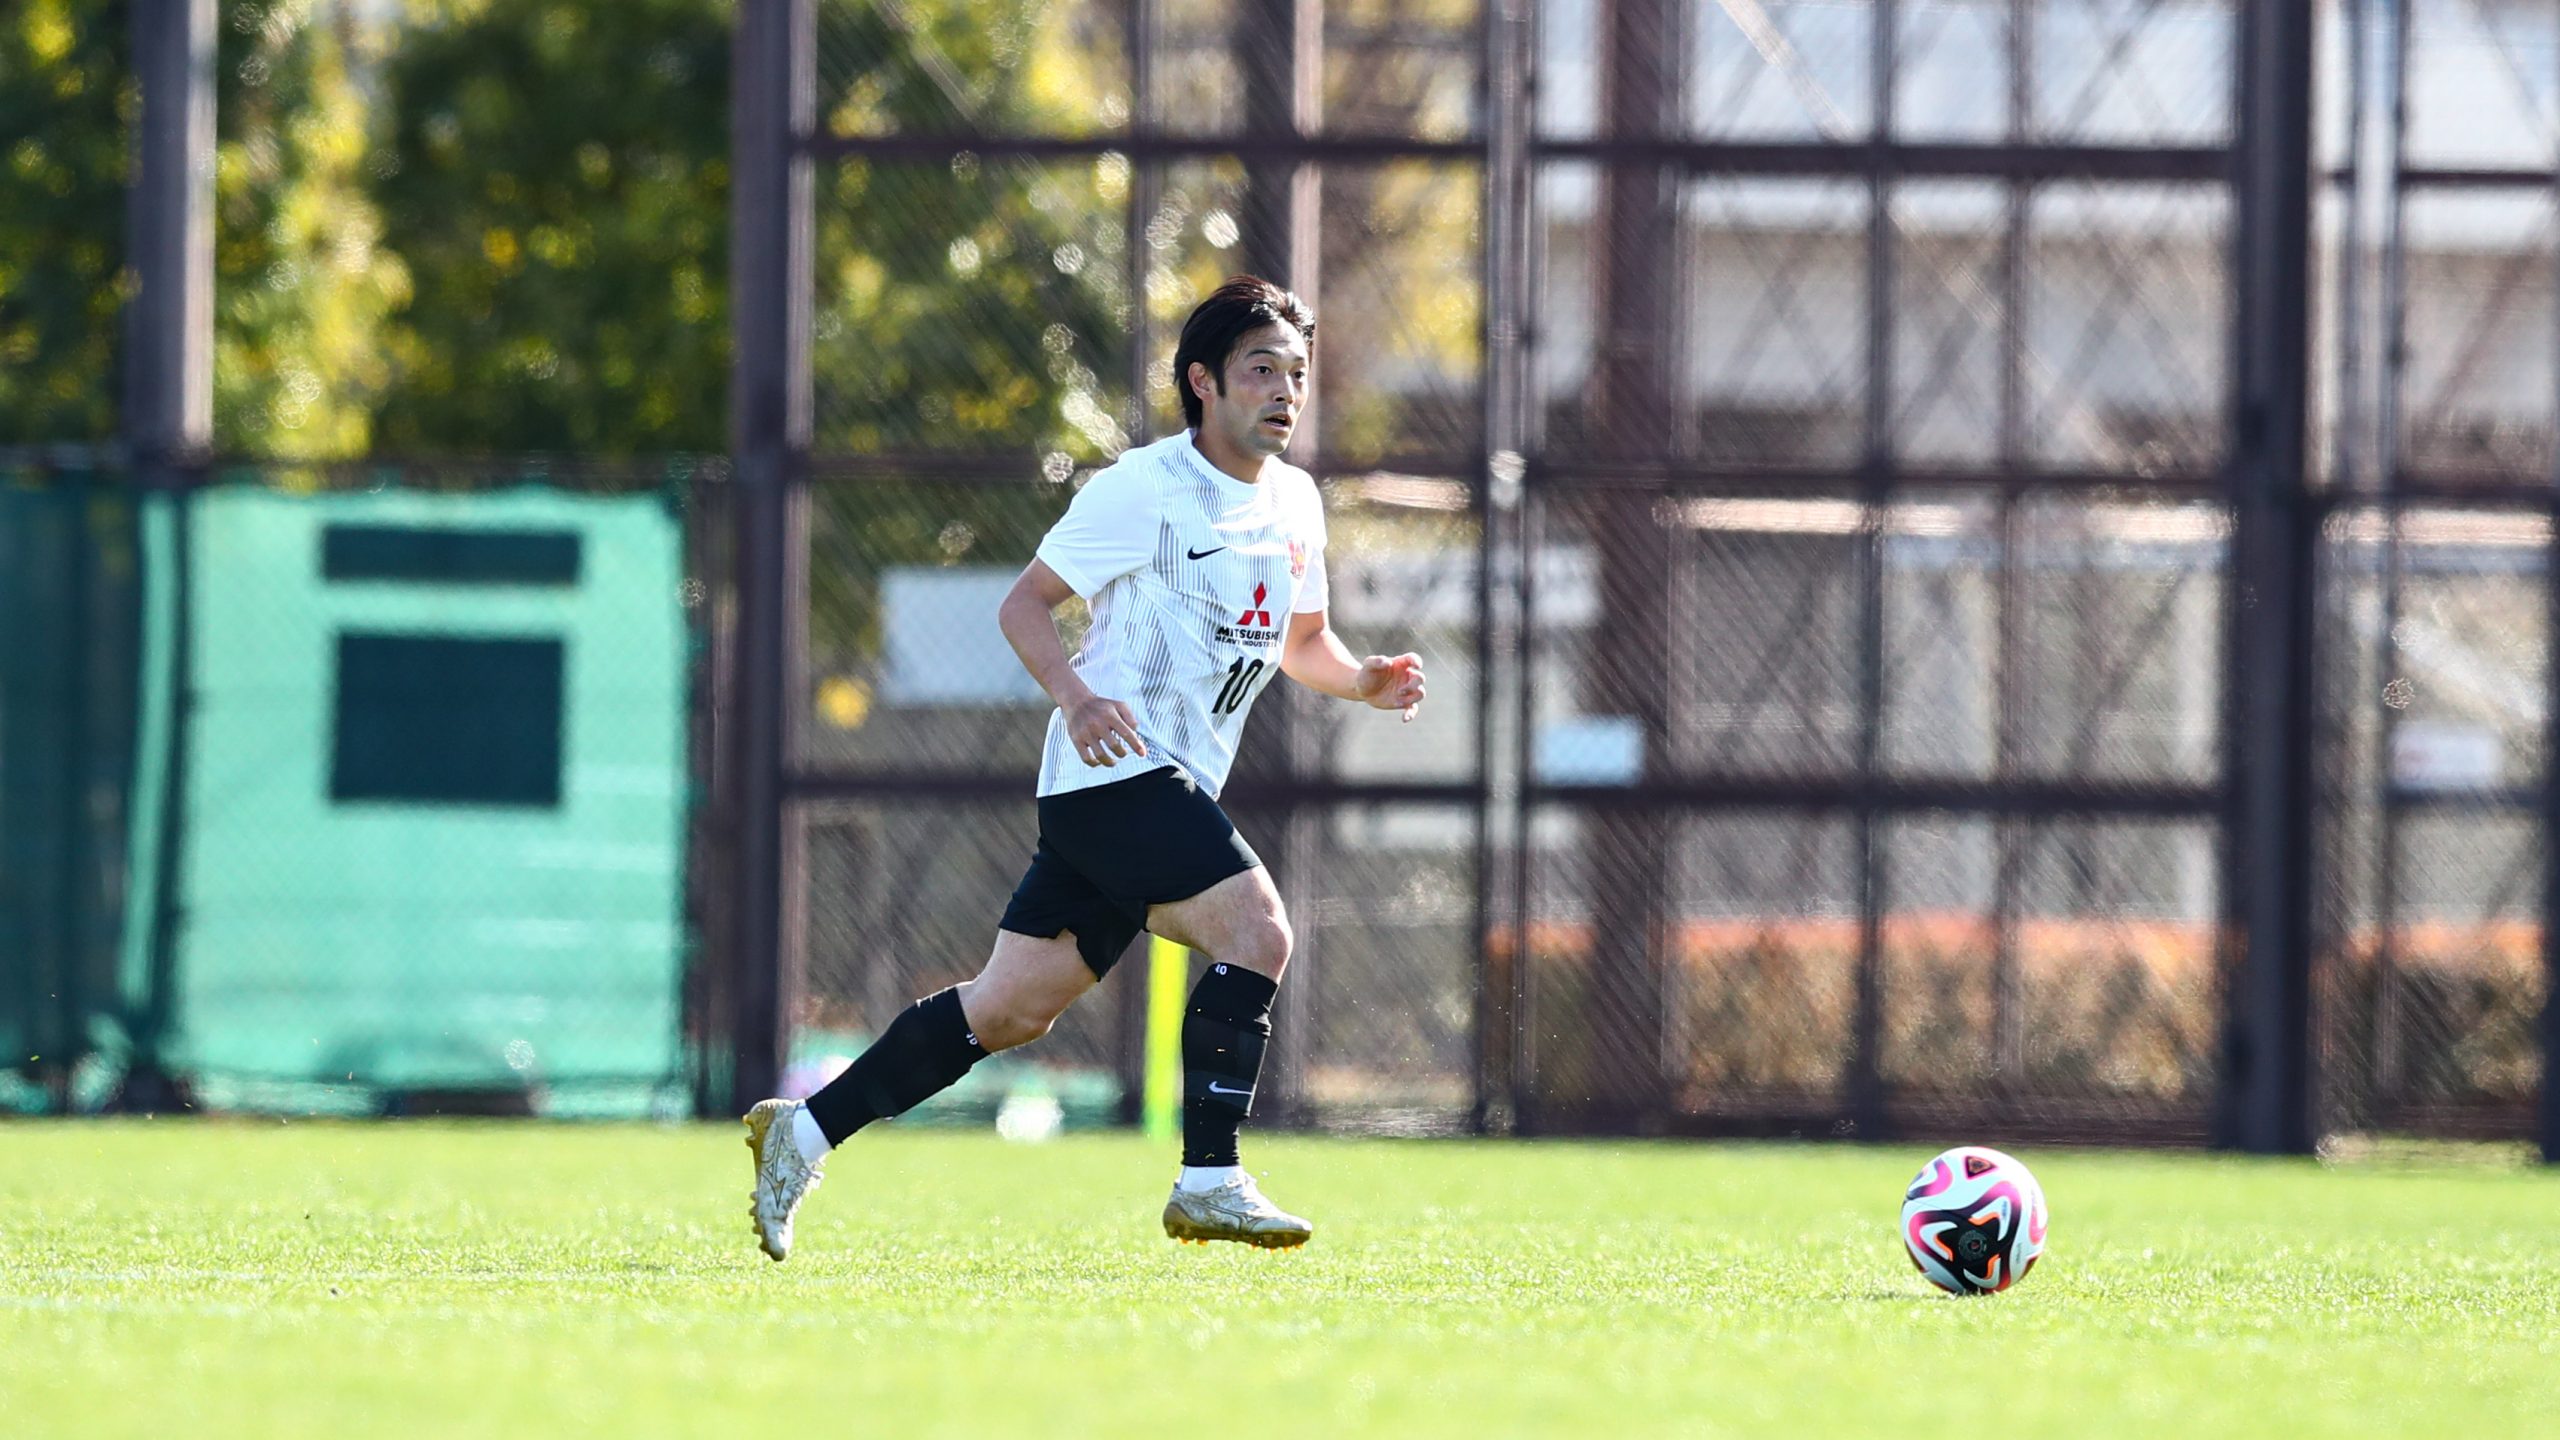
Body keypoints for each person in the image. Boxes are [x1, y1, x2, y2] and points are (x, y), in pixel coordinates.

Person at [742, 275, 1426, 1261]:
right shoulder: (1144, 488)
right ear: (1203, 382)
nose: (1284, 390)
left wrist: (1362, 680)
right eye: (1260, 370)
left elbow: (1301, 641)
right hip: (1114, 780)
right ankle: (1209, 1179)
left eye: (1297, 374)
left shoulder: (1295, 504)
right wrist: (1076, 693)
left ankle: (801, 1131)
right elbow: (1024, 603)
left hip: (1161, 789)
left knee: (1009, 1007)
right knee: (1258, 931)